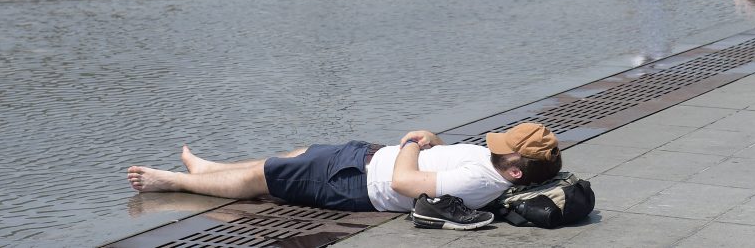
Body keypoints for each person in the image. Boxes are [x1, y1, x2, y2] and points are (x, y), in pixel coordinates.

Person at [126, 123, 561, 220]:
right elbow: (449, 166)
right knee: (288, 158)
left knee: (264, 178)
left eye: (504, 148)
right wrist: (436, 142)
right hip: (364, 159)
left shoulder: (484, 180)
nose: (495, 144)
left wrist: (410, 144)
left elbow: (404, 183)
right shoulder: (493, 167)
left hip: (357, 181)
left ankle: (176, 181)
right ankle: (209, 169)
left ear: (516, 172)